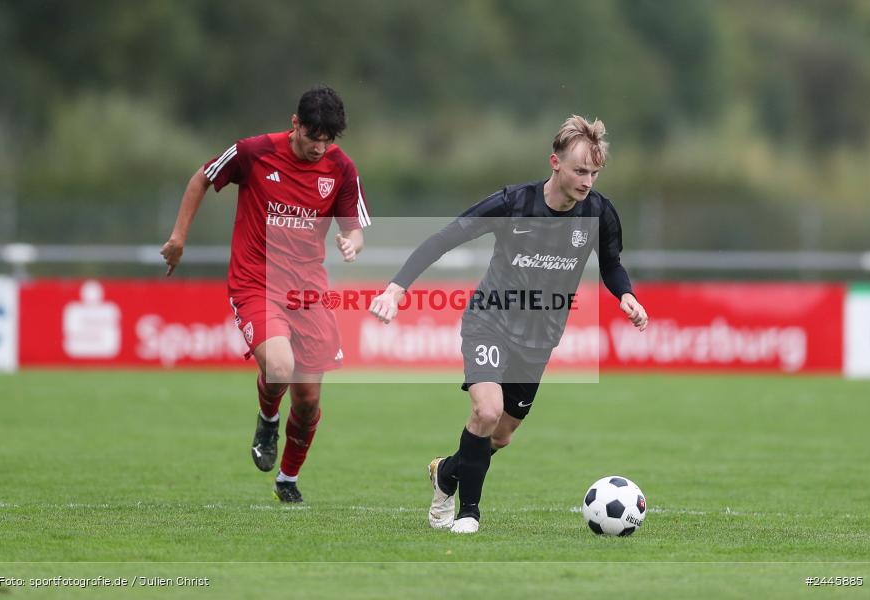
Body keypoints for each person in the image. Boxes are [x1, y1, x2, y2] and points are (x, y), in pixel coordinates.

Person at [369, 115, 647, 533]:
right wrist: (395, 288)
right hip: (490, 320)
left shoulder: (600, 213)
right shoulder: (513, 203)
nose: (587, 181)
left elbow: (612, 265)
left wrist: (625, 294)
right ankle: (469, 512)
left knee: (500, 435)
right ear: (554, 162)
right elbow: (445, 238)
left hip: (539, 338)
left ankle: (446, 473)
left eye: (594, 172)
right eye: (579, 170)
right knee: (486, 410)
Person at [161, 86, 370, 503]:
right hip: (256, 281)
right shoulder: (253, 153)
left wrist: (352, 243)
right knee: (279, 365)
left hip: (308, 290)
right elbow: (203, 177)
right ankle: (269, 417)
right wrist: (178, 237)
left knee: (308, 398)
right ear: (296, 124)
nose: (320, 147)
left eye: (328, 140)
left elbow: (354, 227)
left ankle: (288, 479)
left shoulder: (341, 168)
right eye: (314, 137)